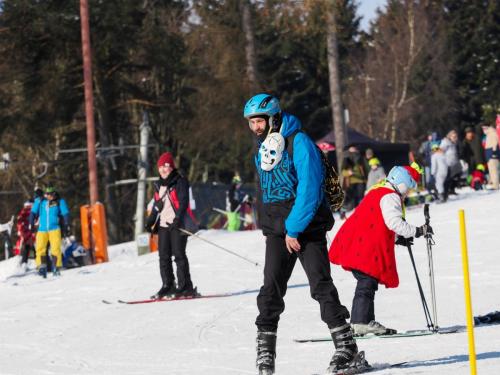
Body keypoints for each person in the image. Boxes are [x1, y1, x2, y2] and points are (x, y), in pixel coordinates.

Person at [243, 94, 366, 375]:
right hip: (277, 230)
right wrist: (275, 228)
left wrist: (294, 228)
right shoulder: (263, 149)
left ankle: (347, 347)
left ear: (273, 118)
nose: (256, 127)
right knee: (270, 291)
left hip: (305, 228)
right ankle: (265, 353)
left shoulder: (300, 143)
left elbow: (310, 190)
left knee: (320, 286)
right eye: (251, 123)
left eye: (259, 121)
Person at [328, 163, 432, 335]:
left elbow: (380, 221)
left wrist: (399, 239)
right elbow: (394, 222)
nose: (407, 193)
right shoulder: (390, 196)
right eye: (409, 187)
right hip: (363, 246)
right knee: (367, 281)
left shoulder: (379, 192)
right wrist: (417, 231)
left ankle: (363, 321)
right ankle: (361, 321)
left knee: (367, 281)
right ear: (402, 183)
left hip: (359, 243)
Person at [145, 152, 197, 299]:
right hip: (163, 225)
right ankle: (168, 285)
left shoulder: (180, 181)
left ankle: (185, 286)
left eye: (166, 166)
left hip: (177, 225)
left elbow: (183, 202)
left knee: (179, 255)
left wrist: (177, 220)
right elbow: (157, 205)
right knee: (163, 257)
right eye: (161, 167)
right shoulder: (158, 185)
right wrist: (150, 221)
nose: (163, 169)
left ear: (172, 167)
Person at [29, 186, 70, 277]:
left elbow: (65, 213)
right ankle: (42, 267)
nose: (50, 196)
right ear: (45, 194)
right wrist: (31, 223)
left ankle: (56, 267)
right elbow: (33, 212)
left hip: (54, 228)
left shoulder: (59, 201)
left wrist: (67, 224)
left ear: (55, 194)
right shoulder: (40, 201)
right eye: (48, 194)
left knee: (55, 248)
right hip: (42, 229)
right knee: (40, 248)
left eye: (52, 194)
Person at [15, 200, 36, 271]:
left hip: (28, 233)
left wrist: (21, 232)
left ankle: (24, 262)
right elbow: (20, 223)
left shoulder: (25, 212)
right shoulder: (29, 212)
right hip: (29, 233)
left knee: (29, 248)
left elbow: (19, 223)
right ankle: (25, 262)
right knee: (32, 247)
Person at [439, 130, 461, 195]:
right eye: (454, 137)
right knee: (448, 178)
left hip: (454, 163)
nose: (455, 138)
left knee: (456, 177)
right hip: (448, 163)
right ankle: (445, 192)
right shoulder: (446, 142)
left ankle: (452, 190)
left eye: (456, 137)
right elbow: (440, 150)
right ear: (450, 136)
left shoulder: (453, 143)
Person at [482, 123, 499, 190]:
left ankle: (496, 185)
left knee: (494, 170)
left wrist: (494, 152)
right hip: (489, 154)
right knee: (491, 170)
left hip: (493, 154)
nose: (483, 130)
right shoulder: (488, 135)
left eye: (484, 128)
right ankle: (494, 183)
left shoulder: (493, 133)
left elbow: (495, 142)